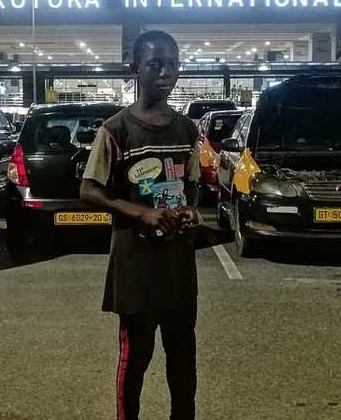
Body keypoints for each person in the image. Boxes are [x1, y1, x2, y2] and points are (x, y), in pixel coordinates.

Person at [80, 30, 201, 420]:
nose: (166, 73)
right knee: (136, 359)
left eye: (173, 65)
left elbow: (192, 187)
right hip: (136, 265)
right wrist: (140, 212)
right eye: (155, 64)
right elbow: (89, 190)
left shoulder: (187, 130)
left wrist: (190, 212)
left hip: (178, 265)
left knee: (183, 360)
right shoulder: (116, 130)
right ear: (136, 68)